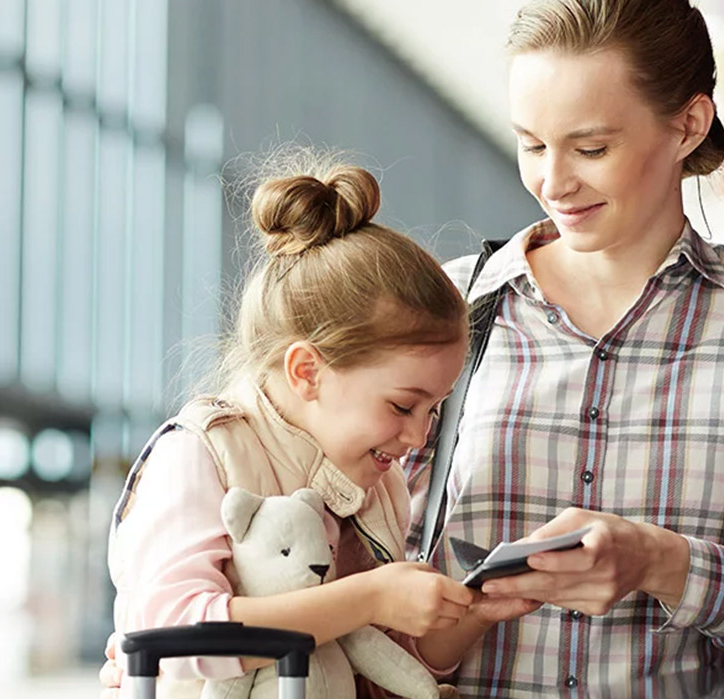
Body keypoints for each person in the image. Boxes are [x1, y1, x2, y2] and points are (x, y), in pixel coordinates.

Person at [104, 0, 724, 694]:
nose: (552, 180)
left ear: (688, 123)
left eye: (590, 147)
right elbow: (341, 580)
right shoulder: (449, 310)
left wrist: (659, 562)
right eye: (531, 143)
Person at [105, 156, 539, 698]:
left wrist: (472, 615)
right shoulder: (201, 453)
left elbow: (381, 659)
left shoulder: (380, 488)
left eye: (436, 410)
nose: (420, 437)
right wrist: (371, 597)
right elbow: (172, 634)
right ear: (306, 371)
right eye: (404, 406)